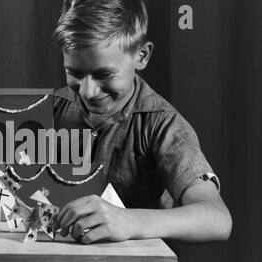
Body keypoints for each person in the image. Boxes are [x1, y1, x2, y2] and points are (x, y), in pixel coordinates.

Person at [53, 0, 232, 244]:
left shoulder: (164, 125)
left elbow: (218, 219)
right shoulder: (51, 106)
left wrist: (129, 221)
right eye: (74, 73)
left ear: (142, 56)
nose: (87, 91)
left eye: (103, 74)